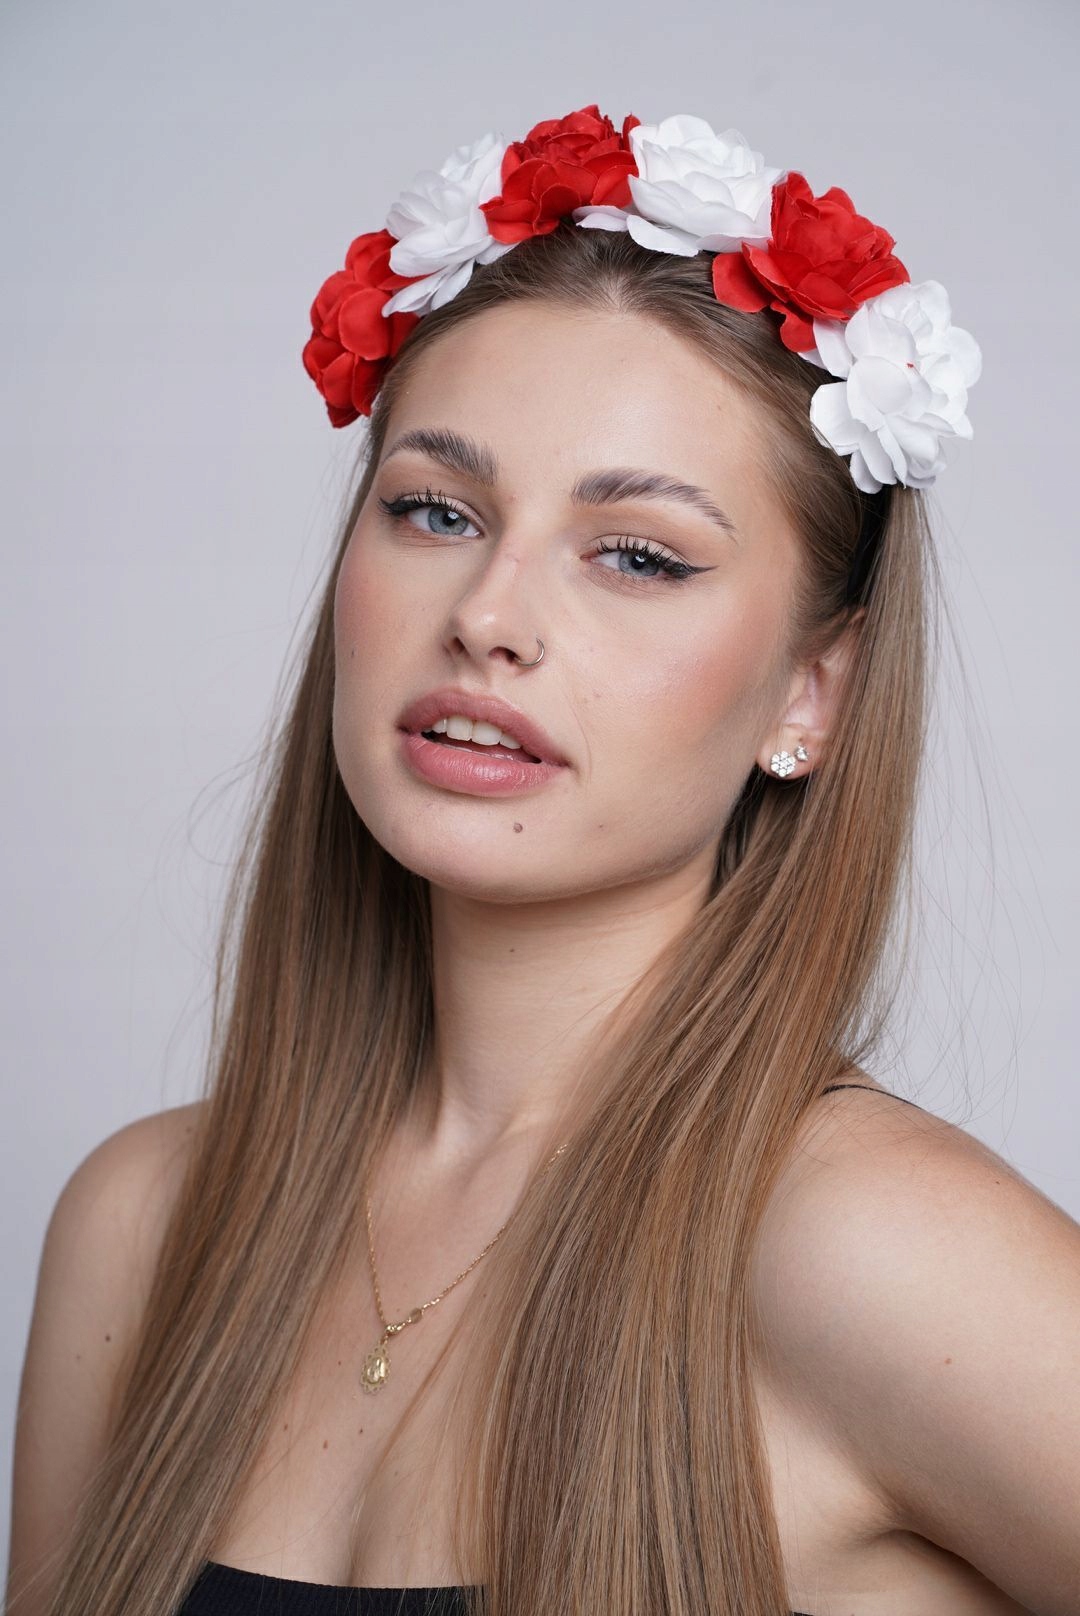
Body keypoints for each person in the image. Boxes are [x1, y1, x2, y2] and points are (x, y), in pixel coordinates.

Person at [7, 106, 1078, 1616]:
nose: (488, 615)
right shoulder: (143, 1227)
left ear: (812, 694)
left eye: (637, 554)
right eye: (435, 512)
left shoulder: (871, 1250)